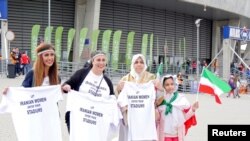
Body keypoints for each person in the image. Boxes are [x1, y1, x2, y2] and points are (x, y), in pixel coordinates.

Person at [61, 50, 115, 132]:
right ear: (93, 61)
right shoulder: (82, 73)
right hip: (78, 120)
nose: (101, 63)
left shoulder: (107, 82)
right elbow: (68, 84)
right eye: (98, 60)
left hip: (97, 123)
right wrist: (66, 86)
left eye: (103, 60)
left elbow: (112, 100)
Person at [116, 54, 162, 141]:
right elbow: (118, 99)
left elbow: (160, 98)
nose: (139, 64)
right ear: (132, 64)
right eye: (136, 62)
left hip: (147, 117)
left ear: (145, 64)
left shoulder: (151, 78)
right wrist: (118, 89)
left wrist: (160, 88)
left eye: (141, 62)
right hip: (130, 117)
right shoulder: (126, 79)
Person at [156, 75, 199, 141]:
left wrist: (193, 109)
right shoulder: (160, 101)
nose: (170, 87)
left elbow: (184, 118)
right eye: (167, 85)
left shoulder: (180, 99)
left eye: (172, 84)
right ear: (163, 86)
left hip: (178, 136)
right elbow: (157, 119)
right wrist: (154, 106)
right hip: (164, 136)